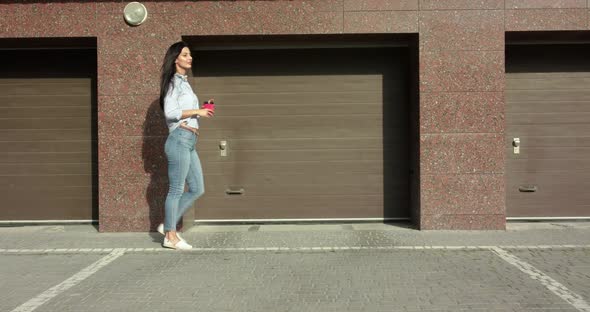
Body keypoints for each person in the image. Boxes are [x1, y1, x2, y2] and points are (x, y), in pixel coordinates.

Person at [157, 41, 213, 250]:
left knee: (197, 188)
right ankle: (170, 236)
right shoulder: (173, 83)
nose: (190, 58)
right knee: (177, 190)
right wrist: (197, 112)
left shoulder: (184, 82)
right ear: (175, 59)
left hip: (189, 141)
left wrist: (201, 111)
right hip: (179, 139)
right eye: (185, 55)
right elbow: (170, 113)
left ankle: (168, 225)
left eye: (190, 54)